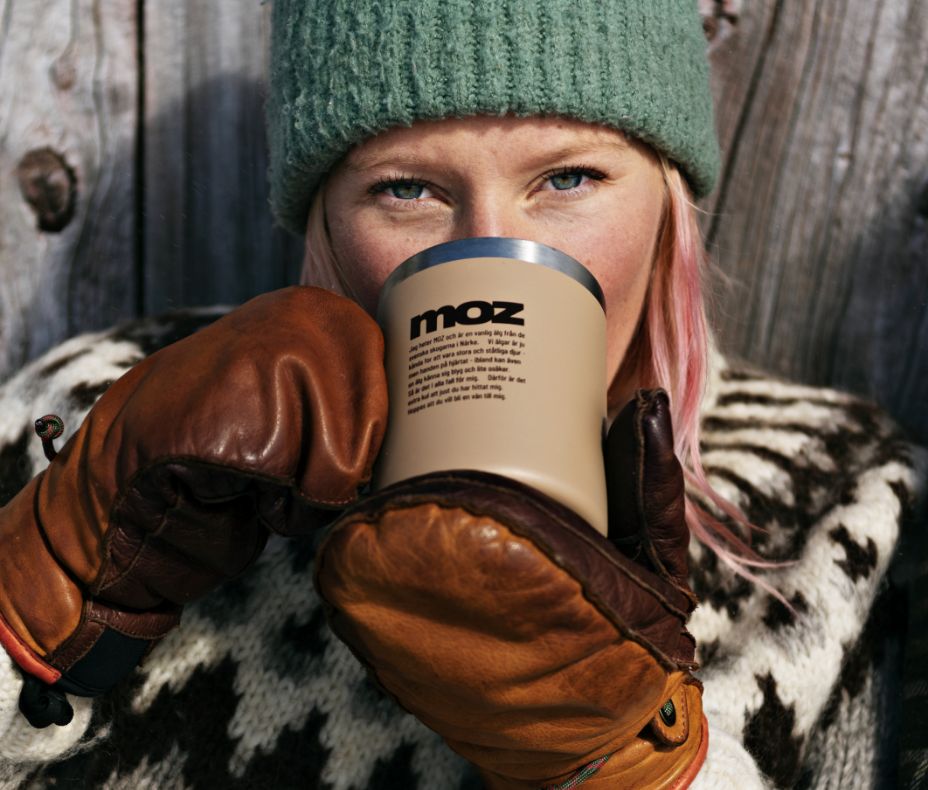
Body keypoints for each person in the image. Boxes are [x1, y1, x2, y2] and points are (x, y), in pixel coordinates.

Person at [0, 0, 922, 787]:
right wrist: (50, 581)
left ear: (666, 200)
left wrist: (633, 762)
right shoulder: (113, 411)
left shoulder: (861, 517)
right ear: (324, 220)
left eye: (569, 177)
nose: (485, 248)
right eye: (406, 188)